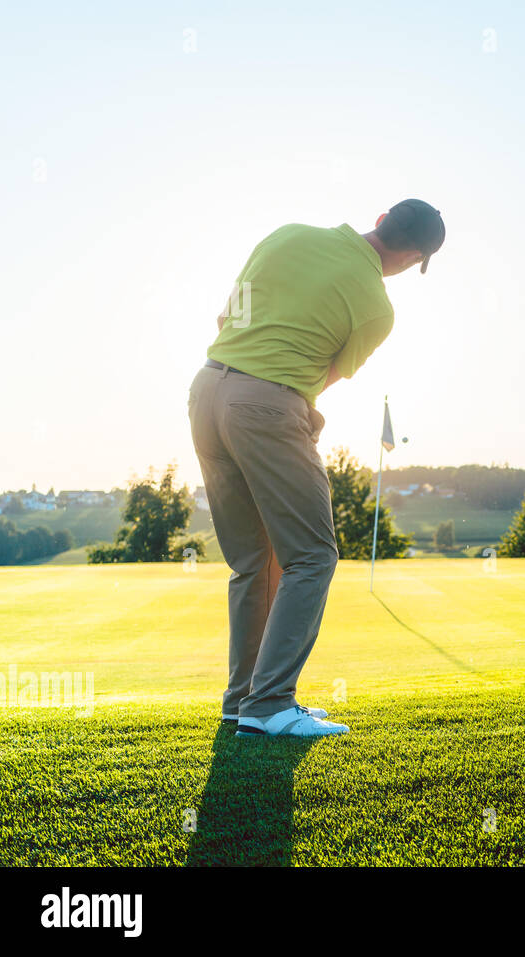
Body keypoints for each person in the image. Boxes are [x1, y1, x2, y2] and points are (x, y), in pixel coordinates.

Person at [187, 199, 445, 737]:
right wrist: (283, 412)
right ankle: (271, 704)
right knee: (312, 555)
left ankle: (243, 701)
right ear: (413, 258)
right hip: (266, 404)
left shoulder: (287, 233)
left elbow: (229, 315)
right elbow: (322, 375)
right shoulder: (378, 306)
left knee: (253, 562)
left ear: (379, 219)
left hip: (207, 390)